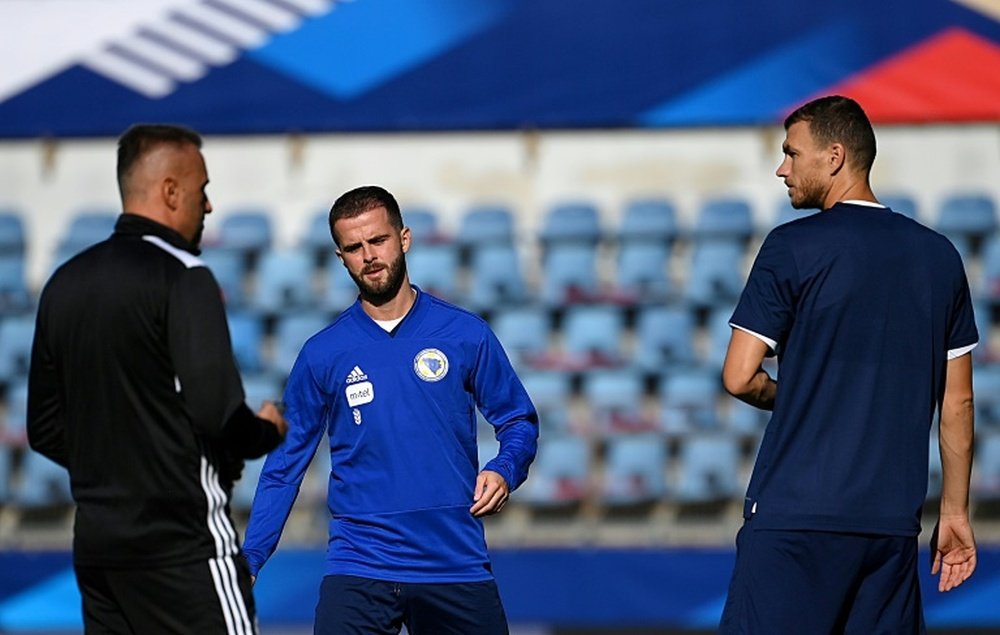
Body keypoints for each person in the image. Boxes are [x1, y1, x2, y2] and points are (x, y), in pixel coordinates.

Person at [718, 95, 978, 633]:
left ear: (834, 156)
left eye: (792, 153)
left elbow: (739, 376)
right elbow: (958, 402)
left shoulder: (792, 247)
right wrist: (954, 513)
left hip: (795, 521)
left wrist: (791, 395)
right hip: (889, 529)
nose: (781, 168)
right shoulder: (940, 257)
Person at [27, 123, 288, 635]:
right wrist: (267, 431)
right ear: (170, 191)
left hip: (100, 550)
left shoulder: (64, 282)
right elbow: (217, 415)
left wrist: (120, 469)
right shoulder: (185, 275)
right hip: (182, 545)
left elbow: (44, 428)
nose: (208, 207)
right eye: (202, 190)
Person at [242, 185, 539, 635]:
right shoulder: (322, 353)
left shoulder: (464, 334)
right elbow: (285, 464)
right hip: (359, 564)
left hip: (454, 562)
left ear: (403, 238)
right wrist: (250, 560)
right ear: (341, 257)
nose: (368, 256)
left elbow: (519, 420)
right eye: (353, 248)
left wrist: (504, 468)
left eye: (377, 241)